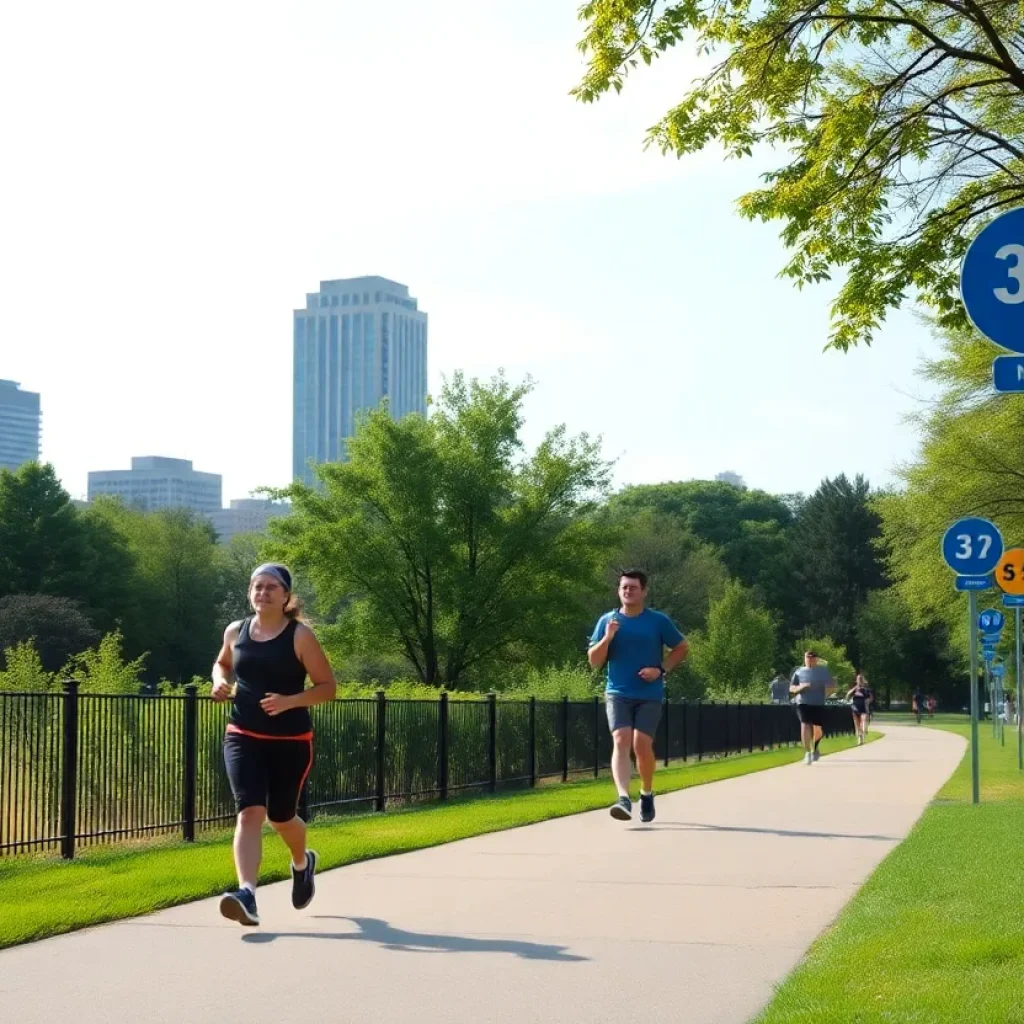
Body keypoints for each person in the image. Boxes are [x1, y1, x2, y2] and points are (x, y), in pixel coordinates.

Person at [211, 563, 337, 926]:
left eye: (270, 587)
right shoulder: (237, 631)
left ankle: (302, 862)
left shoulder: (300, 637)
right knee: (250, 811)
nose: (262, 593)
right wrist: (220, 682)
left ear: (286, 596)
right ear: (250, 593)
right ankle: (247, 893)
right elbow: (222, 664)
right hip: (243, 734)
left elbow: (327, 688)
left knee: (281, 816)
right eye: (256, 587)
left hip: (290, 740)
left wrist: (289, 701)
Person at [588, 569, 688, 823]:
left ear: (644, 591)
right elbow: (594, 661)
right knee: (621, 739)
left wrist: (661, 670)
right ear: (618, 591)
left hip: (649, 694)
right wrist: (608, 638)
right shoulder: (607, 621)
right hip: (617, 692)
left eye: (633, 587)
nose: (628, 591)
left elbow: (681, 647)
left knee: (641, 745)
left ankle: (646, 792)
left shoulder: (657, 621)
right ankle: (623, 798)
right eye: (624, 587)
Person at [790, 650, 836, 764]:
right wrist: (801, 688)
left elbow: (831, 687)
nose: (810, 659)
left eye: (812, 657)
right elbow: (791, 688)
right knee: (805, 725)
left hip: (818, 703)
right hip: (802, 703)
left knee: (817, 729)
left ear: (816, 659)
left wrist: (825, 695)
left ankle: (815, 748)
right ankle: (807, 753)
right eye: (808, 657)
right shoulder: (799, 672)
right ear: (804, 658)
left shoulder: (823, 671)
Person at [845, 673, 873, 745]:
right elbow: (847, 695)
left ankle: (862, 733)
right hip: (855, 707)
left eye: (860, 679)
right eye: (858, 679)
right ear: (856, 681)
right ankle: (860, 737)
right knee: (857, 723)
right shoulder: (854, 689)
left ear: (863, 680)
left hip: (863, 707)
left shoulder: (866, 689)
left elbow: (871, 698)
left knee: (863, 721)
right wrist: (854, 689)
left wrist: (868, 701)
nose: (859, 681)